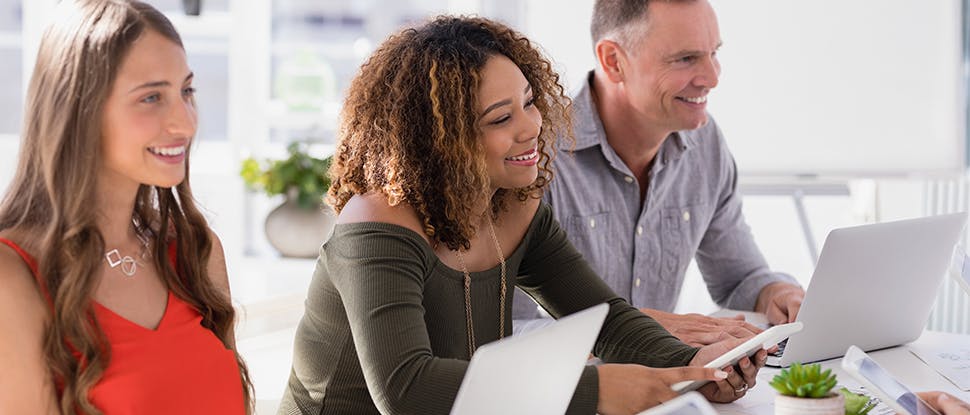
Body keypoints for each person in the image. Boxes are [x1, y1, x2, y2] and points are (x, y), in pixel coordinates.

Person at [279, 15, 766, 415]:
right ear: (439, 143)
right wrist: (597, 390)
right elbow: (407, 389)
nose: (531, 127)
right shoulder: (376, 223)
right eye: (499, 118)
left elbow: (608, 322)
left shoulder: (514, 207)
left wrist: (698, 367)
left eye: (529, 103)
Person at [0, 1, 253, 413]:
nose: (185, 122)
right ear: (78, 110)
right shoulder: (14, 277)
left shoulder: (194, 251)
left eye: (186, 91)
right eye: (151, 97)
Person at [512, 0, 806, 346]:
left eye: (714, 53)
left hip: (667, 384)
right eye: (685, 59)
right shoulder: (535, 157)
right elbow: (505, 331)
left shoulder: (704, 144)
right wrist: (632, 332)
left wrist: (775, 292)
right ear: (613, 61)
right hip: (572, 393)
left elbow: (739, 278)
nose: (712, 77)